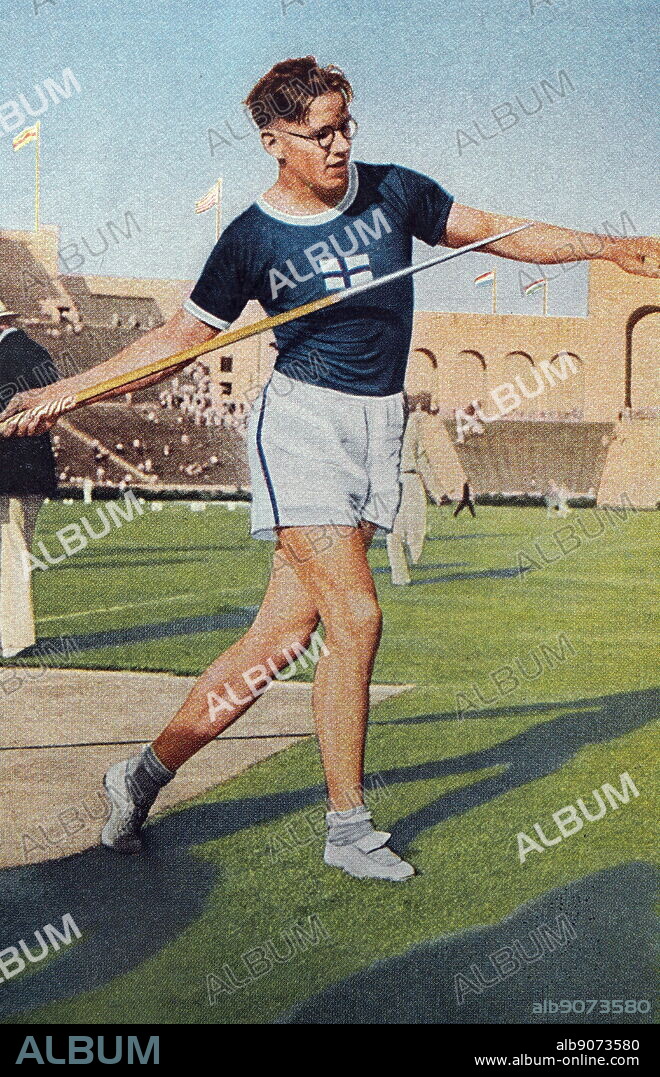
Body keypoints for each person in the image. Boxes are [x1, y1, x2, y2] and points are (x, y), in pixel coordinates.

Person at [2, 57, 659, 881]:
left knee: (278, 641)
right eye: (322, 134)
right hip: (303, 429)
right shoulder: (251, 238)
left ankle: (138, 774)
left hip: (377, 427)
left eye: (347, 125)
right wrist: (68, 389)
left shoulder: (396, 192)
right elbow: (178, 342)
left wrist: (610, 247)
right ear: (276, 142)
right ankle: (347, 828)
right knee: (357, 616)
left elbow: (499, 231)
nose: (341, 144)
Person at [0, 304, 59, 657]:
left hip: (8, 471)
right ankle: (13, 634)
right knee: (15, 551)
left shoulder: (7, 357)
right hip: (31, 470)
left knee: (10, 552)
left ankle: (15, 637)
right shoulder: (37, 351)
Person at [387, 395, 446, 585]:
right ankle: (400, 576)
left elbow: (422, 460)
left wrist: (436, 492)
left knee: (416, 529)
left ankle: (414, 556)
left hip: (411, 480)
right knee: (393, 531)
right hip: (391, 482)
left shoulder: (413, 426)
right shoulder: (382, 427)